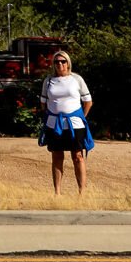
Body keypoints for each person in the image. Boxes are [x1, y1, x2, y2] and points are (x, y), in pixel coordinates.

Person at [40, 51, 94, 195]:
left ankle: (82, 193)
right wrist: (49, 117)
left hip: (75, 125)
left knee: (77, 156)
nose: (60, 64)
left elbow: (88, 102)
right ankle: (57, 193)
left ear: (68, 63)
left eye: (63, 61)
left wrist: (81, 117)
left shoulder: (77, 79)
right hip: (54, 125)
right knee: (57, 156)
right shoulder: (48, 81)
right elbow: (43, 103)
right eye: (56, 61)